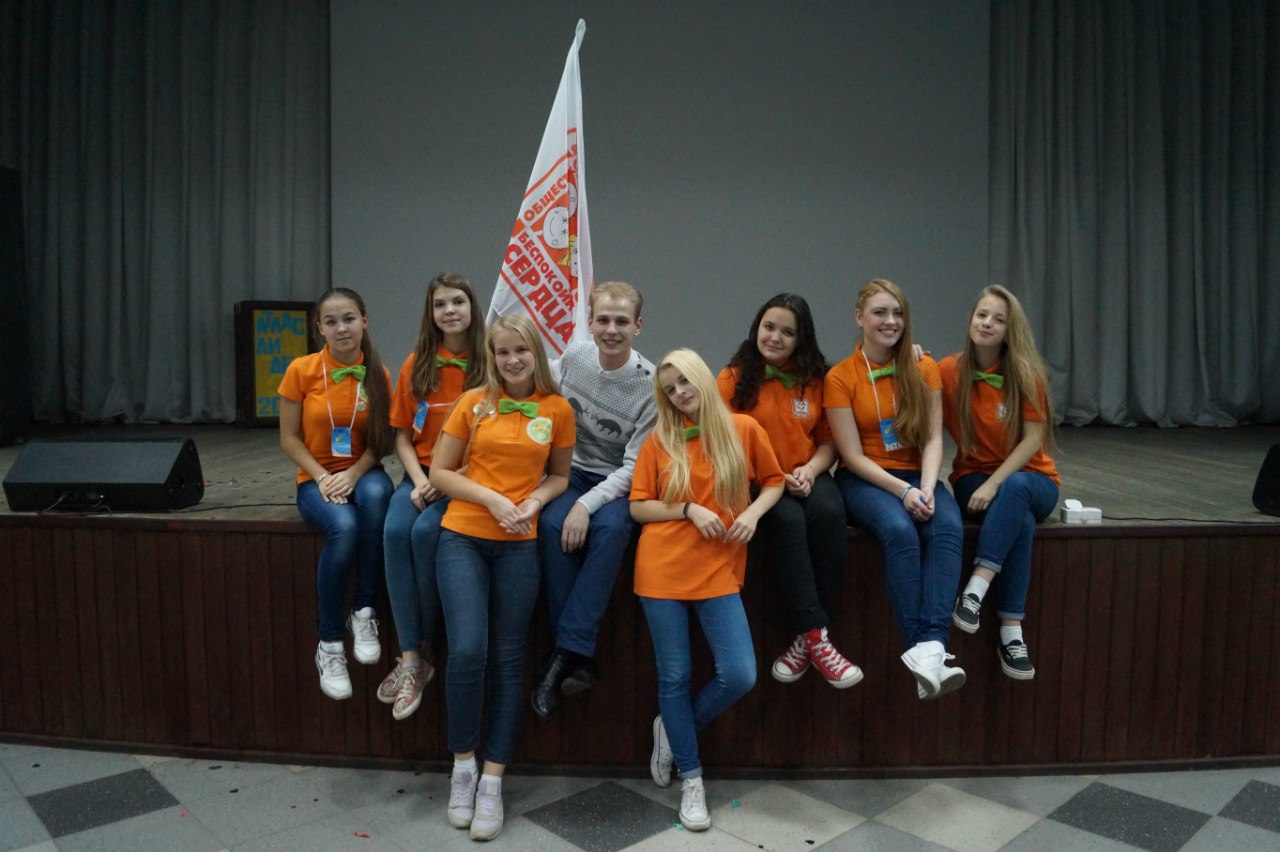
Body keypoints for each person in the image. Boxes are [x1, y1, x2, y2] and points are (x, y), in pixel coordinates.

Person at [429, 314, 574, 841]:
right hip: (463, 537)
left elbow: (559, 476)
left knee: (510, 659)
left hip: (519, 544)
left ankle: (493, 781)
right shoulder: (473, 403)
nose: (512, 360)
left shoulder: (557, 409)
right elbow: (440, 473)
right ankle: (463, 768)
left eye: (521, 350)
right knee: (468, 650)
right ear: (491, 358)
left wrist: (533, 501)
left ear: (536, 352)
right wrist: (491, 498)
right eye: (502, 352)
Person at [631, 349, 784, 832]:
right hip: (661, 569)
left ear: (700, 376)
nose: (679, 393)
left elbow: (775, 481)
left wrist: (753, 515)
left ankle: (673, 730)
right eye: (669, 389)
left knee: (739, 674)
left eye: (684, 381)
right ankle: (692, 779)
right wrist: (687, 509)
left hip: (718, 568)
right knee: (674, 676)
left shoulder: (744, 429)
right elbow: (638, 506)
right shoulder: (660, 439)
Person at [825, 279, 965, 700]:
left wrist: (927, 487)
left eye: (898, 313)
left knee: (947, 527)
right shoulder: (840, 377)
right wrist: (903, 493)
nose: (891, 321)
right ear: (859, 317)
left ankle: (931, 649)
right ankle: (922, 646)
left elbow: (934, 438)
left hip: (918, 475)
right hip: (866, 478)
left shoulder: (923, 368)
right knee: (900, 531)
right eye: (880, 312)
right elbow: (851, 456)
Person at [718, 294, 862, 688]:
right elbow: (724, 445)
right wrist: (773, 477)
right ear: (757, 328)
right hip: (756, 480)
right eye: (769, 327)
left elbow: (828, 442)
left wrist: (811, 471)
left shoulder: (817, 379)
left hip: (806, 473)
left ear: (801, 339)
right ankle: (816, 636)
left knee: (830, 513)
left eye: (787, 332)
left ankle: (808, 638)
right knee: (787, 519)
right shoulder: (731, 378)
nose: (775, 337)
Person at [532, 281, 658, 718]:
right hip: (569, 471)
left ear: (637, 326)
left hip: (617, 481)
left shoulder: (650, 387)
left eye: (621, 321)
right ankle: (577, 656)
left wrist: (586, 506)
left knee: (611, 530)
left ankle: (563, 654)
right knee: (551, 524)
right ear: (590, 322)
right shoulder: (575, 357)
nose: (611, 330)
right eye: (603, 320)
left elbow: (634, 467)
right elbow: (536, 382)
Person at [278, 287, 394, 701]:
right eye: (331, 321)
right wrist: (323, 477)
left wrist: (354, 473)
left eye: (349, 319)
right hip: (315, 479)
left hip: (364, 472)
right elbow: (289, 439)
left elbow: (381, 442)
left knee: (377, 499)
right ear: (320, 329)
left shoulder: (378, 374)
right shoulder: (301, 370)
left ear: (364, 321)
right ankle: (329, 643)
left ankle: (363, 611)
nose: (341, 328)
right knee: (344, 527)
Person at [379, 273, 487, 721]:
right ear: (431, 313)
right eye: (440, 304)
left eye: (458, 302)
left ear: (472, 307)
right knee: (394, 531)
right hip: (419, 475)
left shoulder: (489, 364)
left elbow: (490, 443)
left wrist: (443, 480)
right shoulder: (417, 364)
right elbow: (402, 437)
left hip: (464, 478)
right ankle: (411, 659)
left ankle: (421, 646)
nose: (450, 311)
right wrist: (419, 479)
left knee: (425, 533)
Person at [939, 285, 1059, 680]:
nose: (987, 323)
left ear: (1011, 330)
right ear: (970, 320)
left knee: (1016, 490)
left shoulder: (1025, 374)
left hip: (1033, 480)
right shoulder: (949, 370)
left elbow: (1033, 440)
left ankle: (975, 588)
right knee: (1019, 521)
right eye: (982, 315)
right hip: (972, 477)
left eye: (999, 319)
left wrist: (994, 484)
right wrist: (914, 355)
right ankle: (1011, 632)